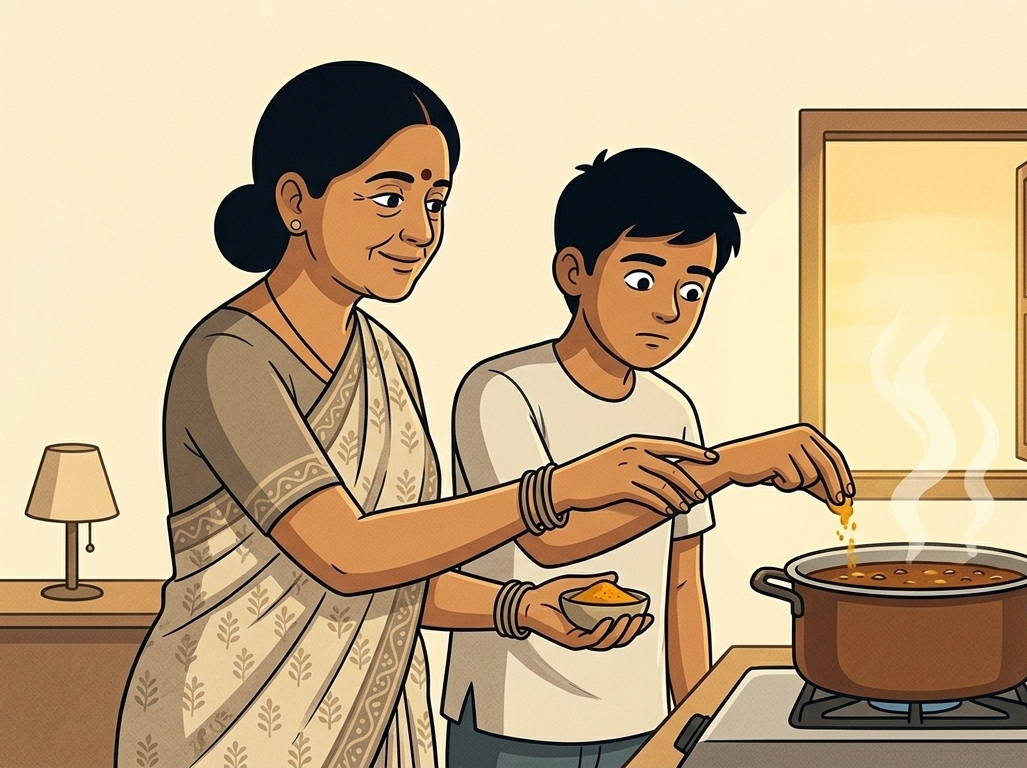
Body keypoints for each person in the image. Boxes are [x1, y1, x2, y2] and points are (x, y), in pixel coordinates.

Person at [113, 63, 714, 768]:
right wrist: (557, 490)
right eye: (389, 196)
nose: (420, 230)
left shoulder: (386, 360)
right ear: (294, 201)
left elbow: (401, 575)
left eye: (436, 201)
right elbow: (345, 552)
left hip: (372, 723)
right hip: (233, 726)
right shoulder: (228, 358)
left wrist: (520, 608)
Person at [445, 148, 854, 767]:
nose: (669, 308)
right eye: (644, 278)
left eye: (694, 288)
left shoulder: (673, 410)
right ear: (573, 271)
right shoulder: (502, 389)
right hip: (516, 717)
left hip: (642, 720)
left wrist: (695, 719)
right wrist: (725, 467)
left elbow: (682, 580)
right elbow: (548, 542)